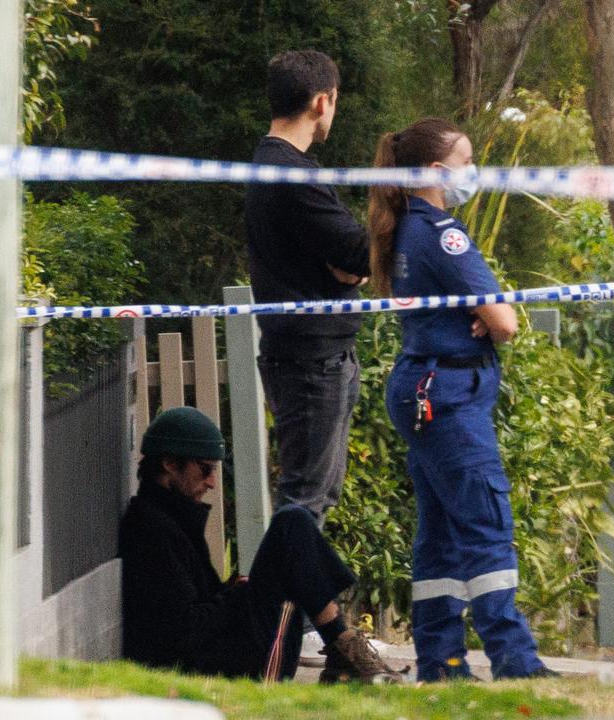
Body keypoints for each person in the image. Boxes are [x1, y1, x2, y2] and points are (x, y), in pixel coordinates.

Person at [367, 118, 556, 682]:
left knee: (442, 537)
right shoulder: (443, 233)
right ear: (434, 172)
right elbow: (506, 322)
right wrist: (486, 315)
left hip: (427, 389)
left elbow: (484, 314)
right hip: (448, 396)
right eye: (466, 161)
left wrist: (480, 314)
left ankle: (441, 661)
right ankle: (515, 661)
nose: (473, 173)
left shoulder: (406, 227)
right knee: (485, 525)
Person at [119, 406, 400, 684]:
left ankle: (343, 647)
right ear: (169, 464)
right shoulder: (153, 530)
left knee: (293, 522)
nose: (212, 483)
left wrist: (230, 590)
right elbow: (183, 632)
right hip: (229, 668)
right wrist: (236, 595)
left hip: (228, 652)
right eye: (205, 470)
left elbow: (197, 604)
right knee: (291, 523)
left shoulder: (170, 516)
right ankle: (343, 648)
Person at [245, 50, 368, 521]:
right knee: (304, 503)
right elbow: (359, 253)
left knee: (315, 499)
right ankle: (279, 598)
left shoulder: (271, 165)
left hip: (314, 354)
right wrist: (352, 265)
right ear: (322, 101)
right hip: (311, 360)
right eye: (335, 102)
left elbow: (350, 259)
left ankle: (301, 596)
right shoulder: (294, 175)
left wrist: (348, 265)